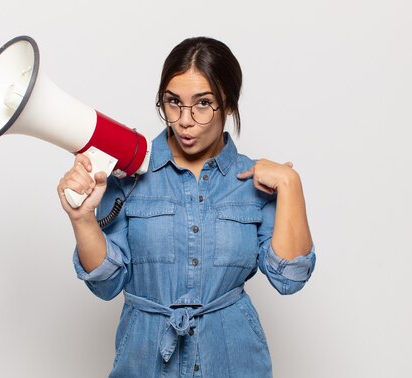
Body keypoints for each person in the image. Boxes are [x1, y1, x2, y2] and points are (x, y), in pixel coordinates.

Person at [57, 36, 316, 378]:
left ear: (229, 106)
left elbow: (290, 279)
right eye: (173, 102)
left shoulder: (256, 182)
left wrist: (291, 185)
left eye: (203, 103)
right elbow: (106, 284)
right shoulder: (128, 174)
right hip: (144, 362)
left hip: (234, 361)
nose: (185, 120)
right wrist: (82, 219)